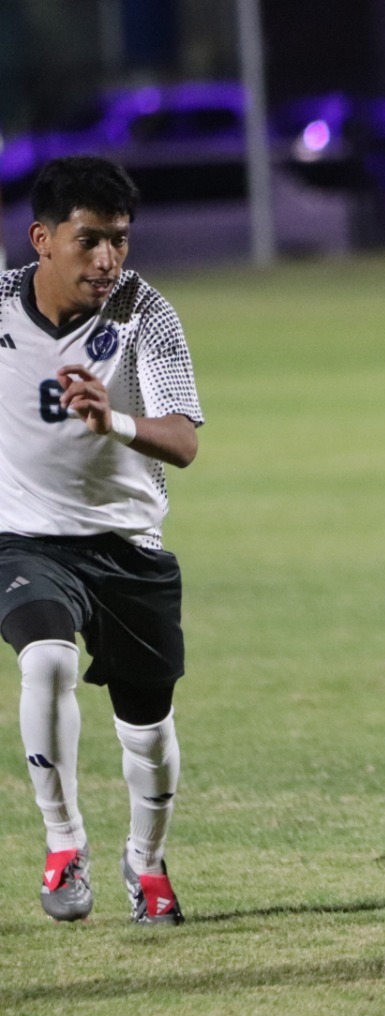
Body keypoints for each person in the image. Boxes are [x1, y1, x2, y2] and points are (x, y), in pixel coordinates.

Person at [1, 155, 203, 925]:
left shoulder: (143, 313)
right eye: (90, 240)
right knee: (46, 660)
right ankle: (63, 847)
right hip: (25, 541)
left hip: (128, 547)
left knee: (146, 731)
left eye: (119, 239)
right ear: (43, 239)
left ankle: (145, 863)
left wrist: (111, 420)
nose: (108, 259)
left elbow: (183, 442)